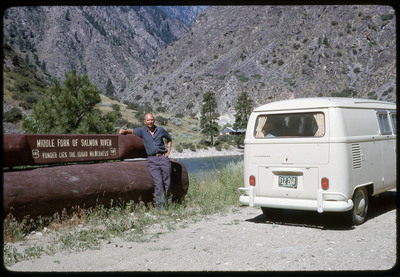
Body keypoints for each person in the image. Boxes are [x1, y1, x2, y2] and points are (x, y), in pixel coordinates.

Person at [119, 113, 172, 210]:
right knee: (158, 184)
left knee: (167, 182)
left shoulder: (160, 130)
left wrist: (168, 151)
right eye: (148, 120)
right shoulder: (142, 131)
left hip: (163, 158)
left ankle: (169, 203)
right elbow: (132, 131)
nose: (150, 121)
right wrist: (124, 131)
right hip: (152, 160)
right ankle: (161, 208)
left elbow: (169, 138)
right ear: (145, 122)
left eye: (151, 119)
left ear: (154, 120)